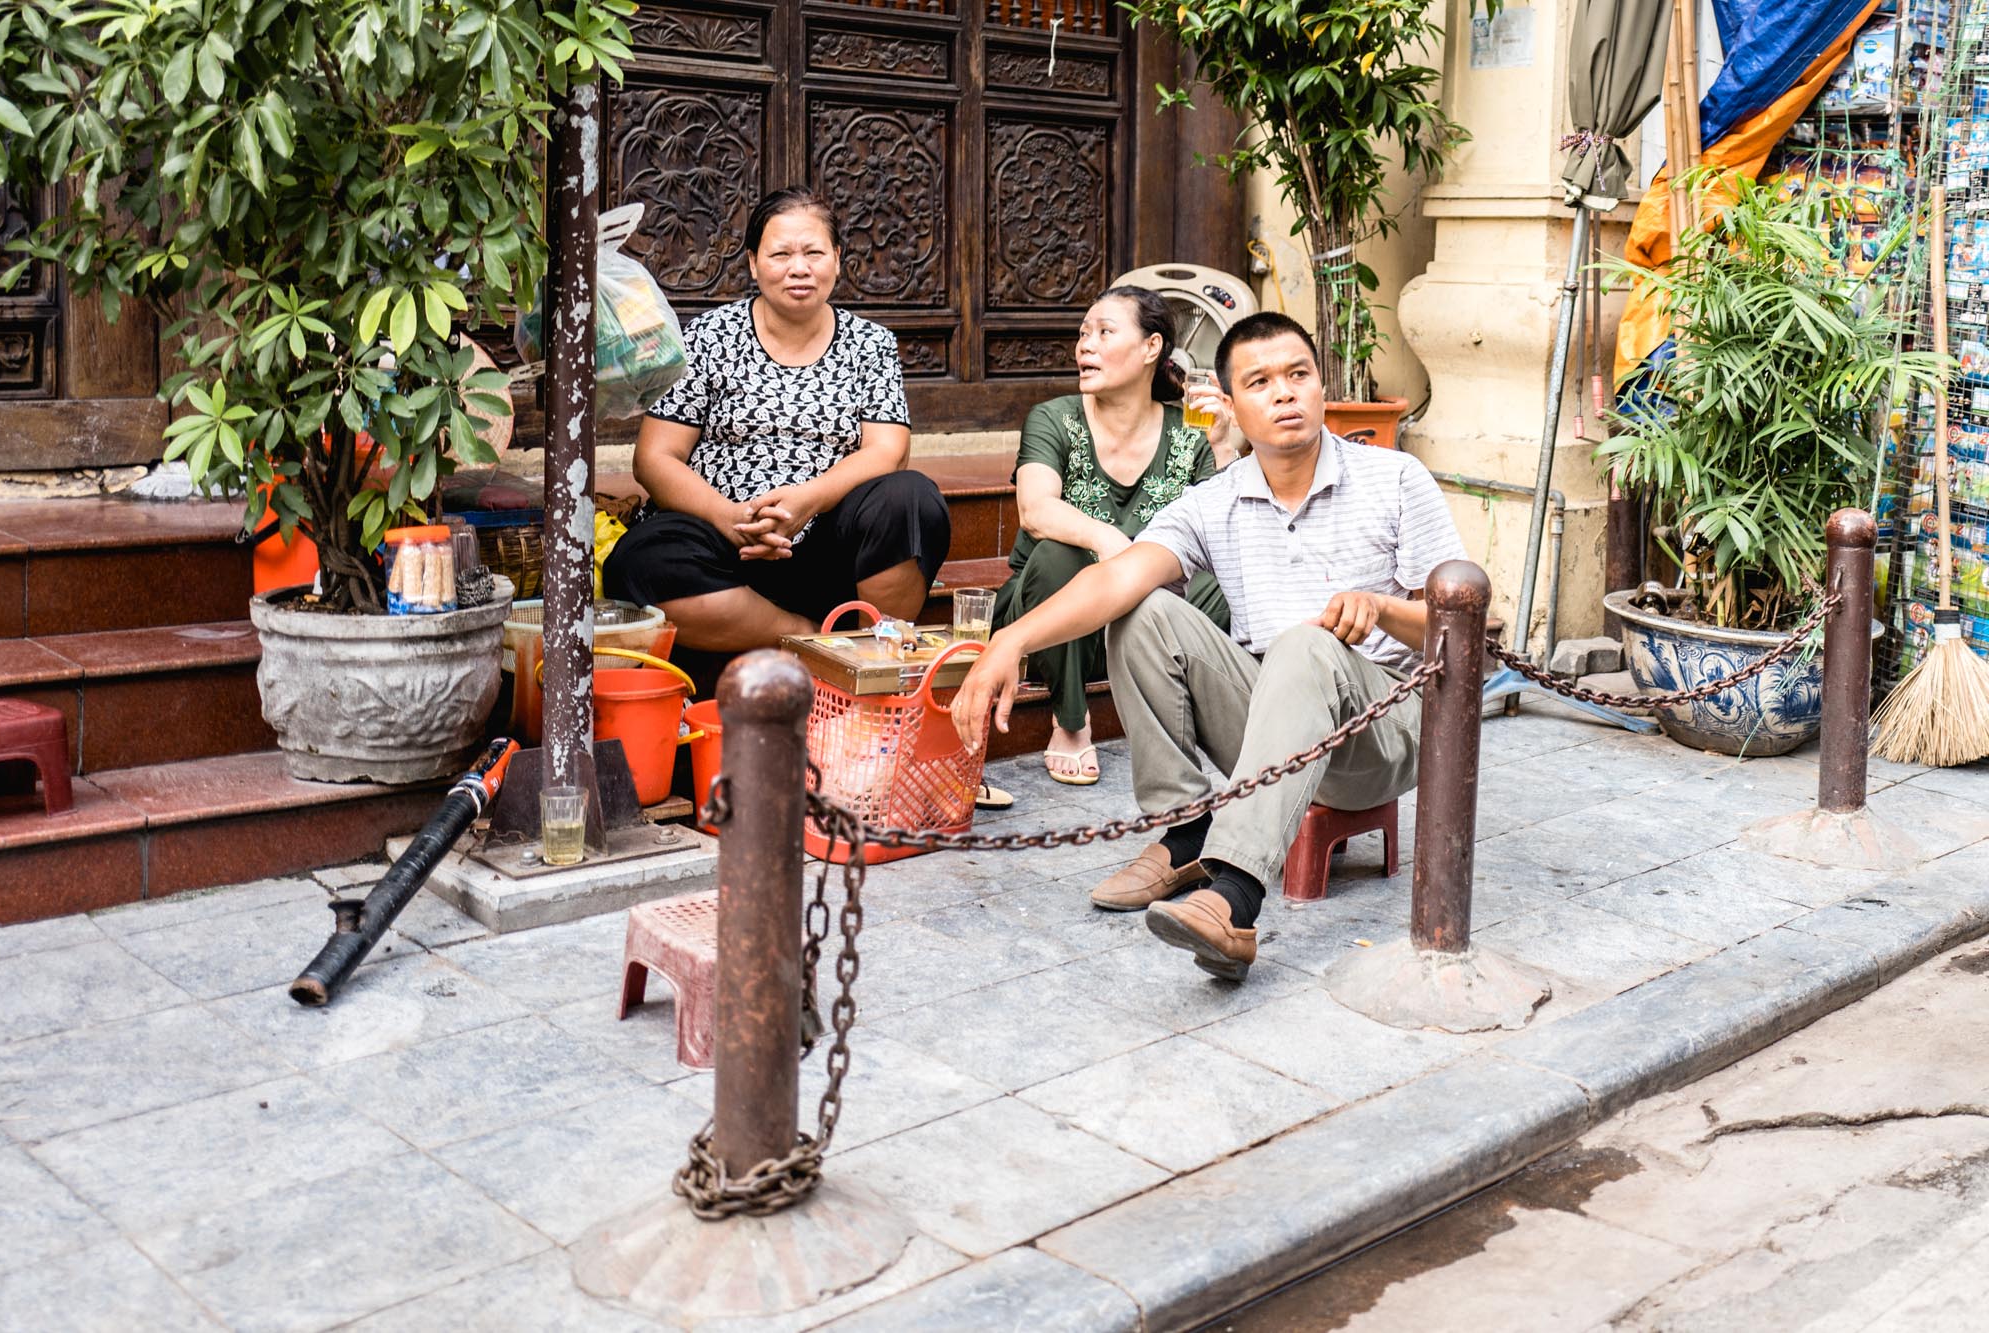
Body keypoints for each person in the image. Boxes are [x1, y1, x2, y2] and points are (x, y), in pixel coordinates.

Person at [954, 312, 1467, 981]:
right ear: (1228, 405)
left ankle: (1235, 899)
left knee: (1304, 646)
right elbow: (1117, 576)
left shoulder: (1396, 478)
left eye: (1298, 375)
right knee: (1142, 612)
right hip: (1271, 732)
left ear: (1320, 387)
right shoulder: (1214, 501)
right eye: (1260, 381)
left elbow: (1469, 630)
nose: (1284, 392)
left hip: (1384, 733)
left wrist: (1383, 609)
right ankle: (1188, 829)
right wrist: (1010, 641)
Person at [604, 188, 951, 675]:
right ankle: (811, 640)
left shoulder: (870, 343)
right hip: (722, 551)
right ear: (752, 262)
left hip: (830, 546)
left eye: (813, 252)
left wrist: (805, 501)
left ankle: (877, 654)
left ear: (837, 259)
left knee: (911, 499)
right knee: (638, 560)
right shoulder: (707, 336)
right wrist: (732, 517)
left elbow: (887, 451)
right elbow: (655, 458)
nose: (799, 267)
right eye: (781, 253)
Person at [996, 286, 1236, 785]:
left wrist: (1223, 448)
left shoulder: (1190, 431)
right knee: (1059, 555)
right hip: (1055, 615)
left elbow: (1222, 532)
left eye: (1104, 332)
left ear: (1152, 348)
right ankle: (1071, 721)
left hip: (1140, 614)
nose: (1085, 345)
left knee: (1224, 582)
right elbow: (1035, 511)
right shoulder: (1054, 417)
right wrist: (1110, 545)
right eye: (1084, 334)